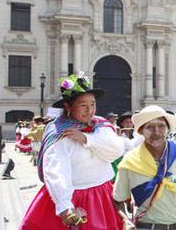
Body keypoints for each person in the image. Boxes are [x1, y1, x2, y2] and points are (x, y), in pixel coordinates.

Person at [20, 73, 125, 230]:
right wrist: (64, 205)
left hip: (102, 197)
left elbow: (116, 150)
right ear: (68, 107)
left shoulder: (101, 126)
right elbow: (56, 170)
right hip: (73, 197)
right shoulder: (60, 134)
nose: (90, 110)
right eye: (83, 105)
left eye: (93, 104)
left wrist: (87, 139)